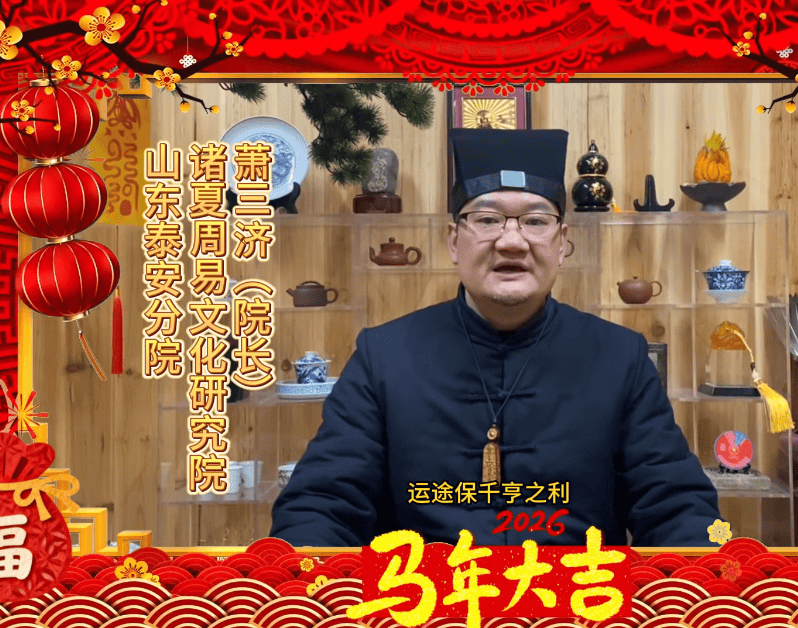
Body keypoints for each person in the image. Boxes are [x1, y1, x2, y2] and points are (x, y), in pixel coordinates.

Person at [271, 128, 722, 547]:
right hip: (424, 596)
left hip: (577, 595)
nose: (511, 242)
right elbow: (320, 503)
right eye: (487, 219)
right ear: (453, 241)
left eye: (535, 221)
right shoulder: (384, 356)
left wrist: (709, 573)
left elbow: (678, 503)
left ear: (562, 243)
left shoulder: (620, 357)